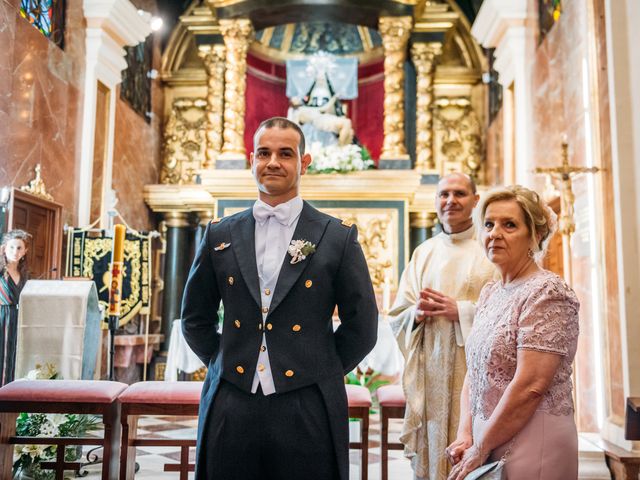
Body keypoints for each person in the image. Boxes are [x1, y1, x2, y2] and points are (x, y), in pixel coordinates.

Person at [181, 116, 378, 480]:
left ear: (304, 162)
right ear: (251, 159)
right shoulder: (219, 234)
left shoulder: (337, 237)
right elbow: (195, 317)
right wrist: (226, 359)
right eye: (264, 153)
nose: (273, 162)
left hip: (308, 401)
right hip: (231, 396)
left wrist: (319, 366)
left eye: (285, 153)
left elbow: (362, 325)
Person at [446, 185, 579, 480]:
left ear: (535, 236)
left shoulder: (547, 292)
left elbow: (530, 385)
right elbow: (476, 369)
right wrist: (466, 433)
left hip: (535, 437)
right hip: (488, 435)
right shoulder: (491, 292)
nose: (494, 233)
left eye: (509, 225)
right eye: (489, 224)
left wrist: (481, 447)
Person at [389, 173, 497, 480]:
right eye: (444, 194)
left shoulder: (489, 247)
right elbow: (398, 312)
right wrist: (416, 314)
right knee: (434, 450)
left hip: (476, 369)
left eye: (459, 194)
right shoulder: (424, 252)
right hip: (431, 369)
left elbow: (508, 311)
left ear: (476, 201)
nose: (450, 201)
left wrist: (461, 311)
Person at [0, 230, 30, 386]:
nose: (15, 251)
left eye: (19, 248)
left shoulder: (24, 274)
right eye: (11, 247)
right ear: (4, 248)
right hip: (1, 316)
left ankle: (8, 399)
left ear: (25, 251)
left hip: (17, 319)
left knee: (12, 357)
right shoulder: (0, 269)